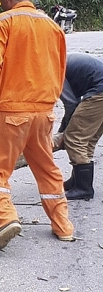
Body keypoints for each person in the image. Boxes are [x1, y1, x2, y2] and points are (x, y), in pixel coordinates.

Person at [0, 0, 74, 250]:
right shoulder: (53, 26)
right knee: (47, 168)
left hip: (10, 112)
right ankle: (63, 226)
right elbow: (60, 68)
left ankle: (5, 219)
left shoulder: (4, 21)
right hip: (43, 112)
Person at [52, 52, 103, 200]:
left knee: (75, 138)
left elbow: (71, 103)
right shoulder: (58, 59)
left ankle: (83, 188)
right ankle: (77, 181)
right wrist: (63, 129)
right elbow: (74, 102)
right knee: (88, 138)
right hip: (99, 88)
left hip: (99, 92)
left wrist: (63, 132)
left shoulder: (53, 69)